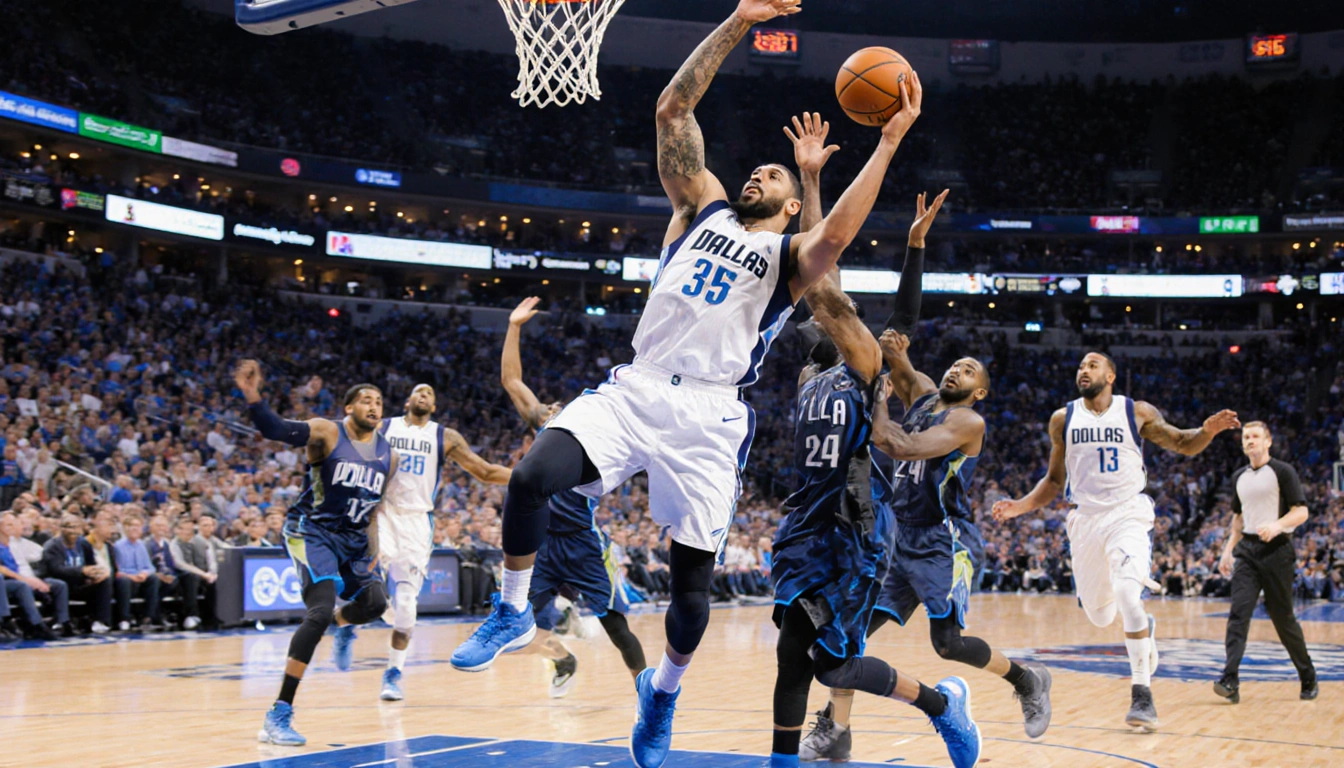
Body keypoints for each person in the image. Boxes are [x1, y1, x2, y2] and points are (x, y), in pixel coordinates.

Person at [451, 0, 923, 762]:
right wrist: (739, 20)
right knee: (533, 475)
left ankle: (661, 694)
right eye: (755, 168)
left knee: (692, 600)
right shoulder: (699, 209)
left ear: (792, 204)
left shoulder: (788, 263)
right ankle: (510, 612)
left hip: (709, 418)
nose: (755, 173)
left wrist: (890, 140)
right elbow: (675, 107)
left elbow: (835, 236)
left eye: (770, 175)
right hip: (634, 390)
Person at [768, 122, 980, 767]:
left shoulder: (865, 357)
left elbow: (830, 279)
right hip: (805, 519)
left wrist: (809, 182)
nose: (833, 306)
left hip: (855, 525)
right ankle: (783, 760)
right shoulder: (810, 368)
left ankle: (943, 706)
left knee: (834, 668)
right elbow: (809, 294)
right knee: (793, 658)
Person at [798, 246, 1051, 764]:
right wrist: (914, 248)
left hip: (943, 539)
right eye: (957, 364)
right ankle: (837, 730)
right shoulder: (926, 394)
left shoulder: (967, 424)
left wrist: (880, 400)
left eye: (970, 370)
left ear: (980, 393)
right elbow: (895, 340)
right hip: (897, 535)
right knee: (848, 634)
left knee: (949, 645)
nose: (959, 370)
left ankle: (1027, 678)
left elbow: (903, 445)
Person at [992, 352, 1239, 731]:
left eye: (1092, 365)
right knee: (1101, 615)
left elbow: (1182, 443)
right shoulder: (1063, 419)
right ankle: (1145, 629)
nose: (1083, 370)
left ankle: (1142, 695)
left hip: (1127, 513)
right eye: (1080, 366)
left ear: (1111, 375)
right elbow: (1055, 481)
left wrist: (1207, 431)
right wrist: (1020, 507)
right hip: (1086, 519)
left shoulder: (1135, 412)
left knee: (1128, 595)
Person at [459, 297, 647, 699]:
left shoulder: (595, 434)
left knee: (617, 627)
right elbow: (512, 382)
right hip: (541, 544)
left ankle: (647, 693)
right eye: (552, 408)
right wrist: (513, 327)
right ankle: (562, 652)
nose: (555, 408)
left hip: (582, 541)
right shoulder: (547, 426)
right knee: (520, 629)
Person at [236, 360, 396, 747]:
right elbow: (275, 429)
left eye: (378, 401)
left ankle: (344, 628)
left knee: (376, 603)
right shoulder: (326, 431)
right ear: (349, 408)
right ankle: (278, 714)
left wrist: (375, 553)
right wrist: (252, 394)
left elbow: (374, 510)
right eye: (365, 400)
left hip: (354, 539)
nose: (374, 406)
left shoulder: (389, 454)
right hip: (314, 531)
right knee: (319, 611)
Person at [376, 383, 511, 702]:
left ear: (433, 407)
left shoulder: (444, 436)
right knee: (370, 580)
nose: (423, 395)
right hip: (381, 510)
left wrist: (526, 474)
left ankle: (393, 672)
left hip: (416, 520)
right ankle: (353, 619)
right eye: (418, 391)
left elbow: (485, 471)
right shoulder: (385, 426)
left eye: (430, 394)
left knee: (407, 608)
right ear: (407, 400)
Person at [1213, 421, 1317, 704]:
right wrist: (1227, 550)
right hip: (1247, 549)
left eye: (1256, 436)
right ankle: (1230, 678)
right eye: (1246, 437)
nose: (1250, 441)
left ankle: (1307, 675)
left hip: (1277, 551)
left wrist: (1278, 525)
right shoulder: (1239, 477)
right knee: (1238, 613)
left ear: (1268, 442)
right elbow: (1238, 517)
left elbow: (1302, 512)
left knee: (1283, 619)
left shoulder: (1283, 472)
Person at [42, 514, 114, 633]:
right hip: (60, 586)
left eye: (77, 527)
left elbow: (91, 564)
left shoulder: (84, 544)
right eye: (69, 527)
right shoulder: (52, 546)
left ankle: (101, 621)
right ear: (61, 529)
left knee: (105, 581)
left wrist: (97, 574)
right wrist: (81, 571)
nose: (73, 531)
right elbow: (56, 570)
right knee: (61, 585)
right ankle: (62, 622)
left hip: (80, 584)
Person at [0, 511, 62, 640]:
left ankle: (56, 623)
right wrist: (26, 580)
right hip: (7, 581)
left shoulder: (14, 544)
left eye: (13, 524)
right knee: (21, 585)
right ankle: (29, 624)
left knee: (56, 585)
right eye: (8, 525)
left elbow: (32, 559)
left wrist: (33, 580)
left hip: (14, 581)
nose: (12, 528)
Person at [112, 513, 162, 630]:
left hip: (140, 578)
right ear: (125, 528)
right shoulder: (118, 546)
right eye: (131, 525)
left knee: (154, 578)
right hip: (126, 579)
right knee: (123, 581)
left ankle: (148, 617)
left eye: (137, 526)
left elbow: (150, 567)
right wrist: (132, 576)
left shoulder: (142, 545)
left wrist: (145, 573)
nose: (135, 528)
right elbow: (118, 571)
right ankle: (124, 619)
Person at [169, 517, 217, 630]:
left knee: (216, 581)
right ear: (178, 530)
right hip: (181, 577)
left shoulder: (201, 542)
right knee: (191, 578)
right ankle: (191, 615)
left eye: (190, 529)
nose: (187, 532)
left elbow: (211, 559)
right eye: (184, 529)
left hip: (201, 574)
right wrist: (203, 574)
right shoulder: (174, 544)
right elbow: (180, 564)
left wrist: (212, 573)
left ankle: (213, 616)